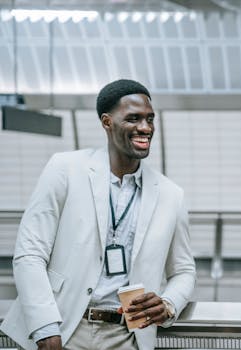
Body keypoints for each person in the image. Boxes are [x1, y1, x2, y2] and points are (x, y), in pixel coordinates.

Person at [0, 79, 196, 350]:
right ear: (107, 122)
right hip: (65, 328)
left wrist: (169, 303)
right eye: (134, 118)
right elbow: (29, 253)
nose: (145, 128)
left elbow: (184, 270)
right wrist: (46, 329)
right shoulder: (65, 169)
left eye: (150, 119)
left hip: (128, 337)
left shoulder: (171, 195)